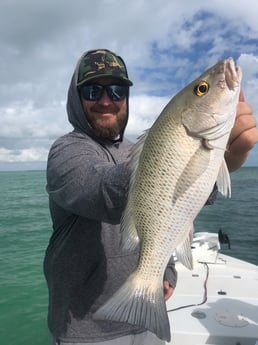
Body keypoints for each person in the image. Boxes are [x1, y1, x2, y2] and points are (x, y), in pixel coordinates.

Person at [44, 49, 258, 345]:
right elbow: (100, 190)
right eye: (93, 90)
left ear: (126, 98)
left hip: (148, 314)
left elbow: (172, 212)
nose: (106, 100)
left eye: (117, 90)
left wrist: (166, 270)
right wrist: (180, 163)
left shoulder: (136, 150)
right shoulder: (65, 152)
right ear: (76, 98)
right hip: (86, 330)